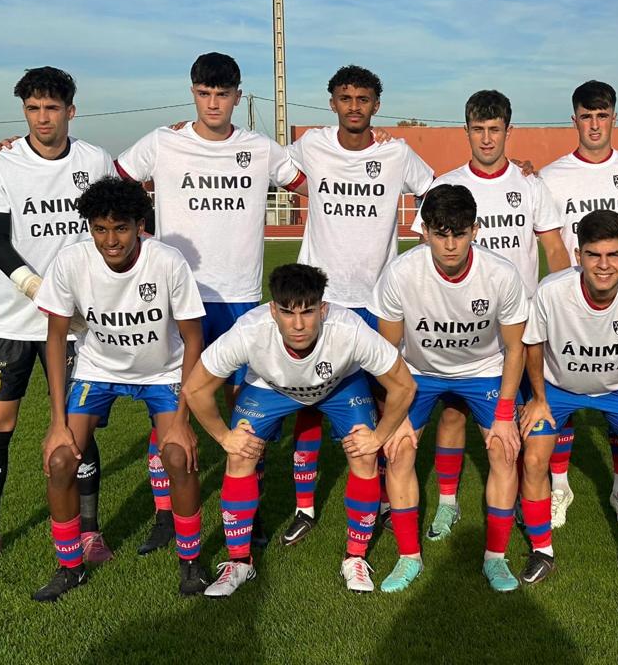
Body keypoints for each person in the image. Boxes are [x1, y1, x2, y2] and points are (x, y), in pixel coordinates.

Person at [115, 52, 305, 554]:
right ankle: (165, 511)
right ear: (193, 93)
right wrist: (145, 234)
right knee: (169, 404)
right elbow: (115, 179)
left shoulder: (260, 148)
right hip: (179, 299)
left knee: (248, 408)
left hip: (242, 299)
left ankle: (251, 503)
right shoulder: (163, 141)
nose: (214, 103)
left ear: (238, 97)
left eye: (224, 94)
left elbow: (317, 182)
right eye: (205, 93)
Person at [0, 67, 114, 575]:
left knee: (77, 431)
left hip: (76, 327)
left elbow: (112, 230)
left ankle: (89, 532)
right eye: (32, 109)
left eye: (51, 108)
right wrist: (39, 290)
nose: (42, 118)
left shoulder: (95, 161)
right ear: (24, 111)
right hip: (9, 322)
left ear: (71, 109)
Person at [182, 263, 416, 595]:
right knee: (240, 453)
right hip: (271, 388)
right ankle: (240, 563)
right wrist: (224, 437)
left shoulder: (347, 329)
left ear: (323, 309)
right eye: (288, 313)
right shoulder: (250, 329)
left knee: (364, 454)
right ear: (273, 310)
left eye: (307, 312)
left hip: (340, 386)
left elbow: (404, 386)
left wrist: (378, 437)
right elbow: (195, 389)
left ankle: (355, 558)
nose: (298, 324)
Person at [278, 65, 434, 545]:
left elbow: (434, 192)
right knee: (308, 403)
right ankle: (305, 506)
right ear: (332, 103)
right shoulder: (310, 146)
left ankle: (387, 496)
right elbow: (260, 163)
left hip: (377, 301)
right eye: (344, 98)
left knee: (386, 400)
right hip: (319, 301)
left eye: (362, 99)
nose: (353, 107)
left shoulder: (396, 151)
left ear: (376, 104)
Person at [31, 177, 208, 601]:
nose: (111, 240)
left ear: (139, 224)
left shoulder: (167, 261)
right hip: (97, 371)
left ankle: (191, 561)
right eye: (100, 229)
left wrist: (183, 419)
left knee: (177, 456)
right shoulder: (71, 262)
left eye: (121, 228)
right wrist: (57, 423)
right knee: (60, 460)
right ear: (89, 227)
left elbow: (194, 338)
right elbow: (56, 338)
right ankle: (70, 567)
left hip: (161, 374)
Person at [409, 90, 569, 540]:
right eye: (477, 129)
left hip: (519, 323)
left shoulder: (529, 184)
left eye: (494, 129)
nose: (486, 138)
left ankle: (525, 496)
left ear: (507, 131)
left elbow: (553, 247)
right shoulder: (447, 184)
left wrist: (564, 303)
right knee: (454, 414)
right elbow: (428, 251)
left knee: (520, 414)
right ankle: (447, 504)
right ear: (467, 131)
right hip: (464, 326)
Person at [369, 184, 529, 593]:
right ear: (424, 231)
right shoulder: (401, 274)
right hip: (417, 373)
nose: (451, 244)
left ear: (476, 229)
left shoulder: (501, 275)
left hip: (484, 371)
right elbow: (386, 353)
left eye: (459, 232)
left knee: (504, 450)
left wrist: (507, 414)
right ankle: (408, 557)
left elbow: (514, 349)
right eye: (441, 233)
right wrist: (393, 414)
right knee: (399, 449)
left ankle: (495, 558)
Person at [519, 210, 618, 585]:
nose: (604, 265)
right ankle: (542, 550)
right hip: (558, 389)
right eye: (594, 255)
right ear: (578, 255)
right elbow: (533, 344)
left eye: (613, 255)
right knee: (535, 457)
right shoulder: (552, 291)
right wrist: (538, 397)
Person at [536, 80, 618, 529]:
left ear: (614, 118)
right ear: (575, 120)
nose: (595, 124)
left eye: (602, 115)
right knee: (561, 405)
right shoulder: (551, 176)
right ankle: (560, 487)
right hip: (570, 308)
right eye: (586, 116)